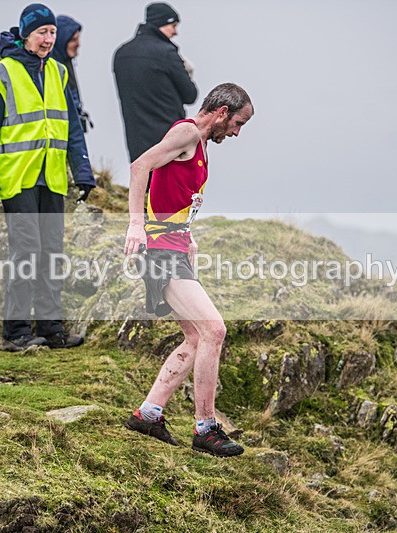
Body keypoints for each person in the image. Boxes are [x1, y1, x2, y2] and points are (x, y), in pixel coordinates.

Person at [123, 83, 254, 457]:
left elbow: (175, 194)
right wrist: (136, 226)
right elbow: (139, 167)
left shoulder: (202, 145)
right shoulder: (186, 132)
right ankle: (206, 428)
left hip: (176, 245)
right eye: (238, 123)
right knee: (214, 329)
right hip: (160, 250)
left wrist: (187, 234)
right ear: (223, 112)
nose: (237, 133)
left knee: (196, 337)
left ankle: (148, 414)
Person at [0, 3, 95, 352]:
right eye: (42, 32)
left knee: (51, 253)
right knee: (27, 253)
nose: (48, 39)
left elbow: (73, 128)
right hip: (17, 180)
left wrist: (83, 171)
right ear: (26, 34)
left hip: (53, 179)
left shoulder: (58, 72)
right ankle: (14, 333)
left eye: (52, 32)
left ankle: (51, 328)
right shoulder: (2, 74)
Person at [113, 2, 197, 164]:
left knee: (143, 181)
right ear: (161, 23)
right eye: (173, 25)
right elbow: (190, 95)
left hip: (136, 136)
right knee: (167, 186)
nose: (175, 32)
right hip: (169, 137)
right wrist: (187, 71)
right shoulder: (166, 53)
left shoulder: (121, 54)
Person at [52, 15, 93, 133]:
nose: (78, 44)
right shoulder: (51, 69)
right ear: (61, 40)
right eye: (73, 40)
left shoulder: (66, 62)